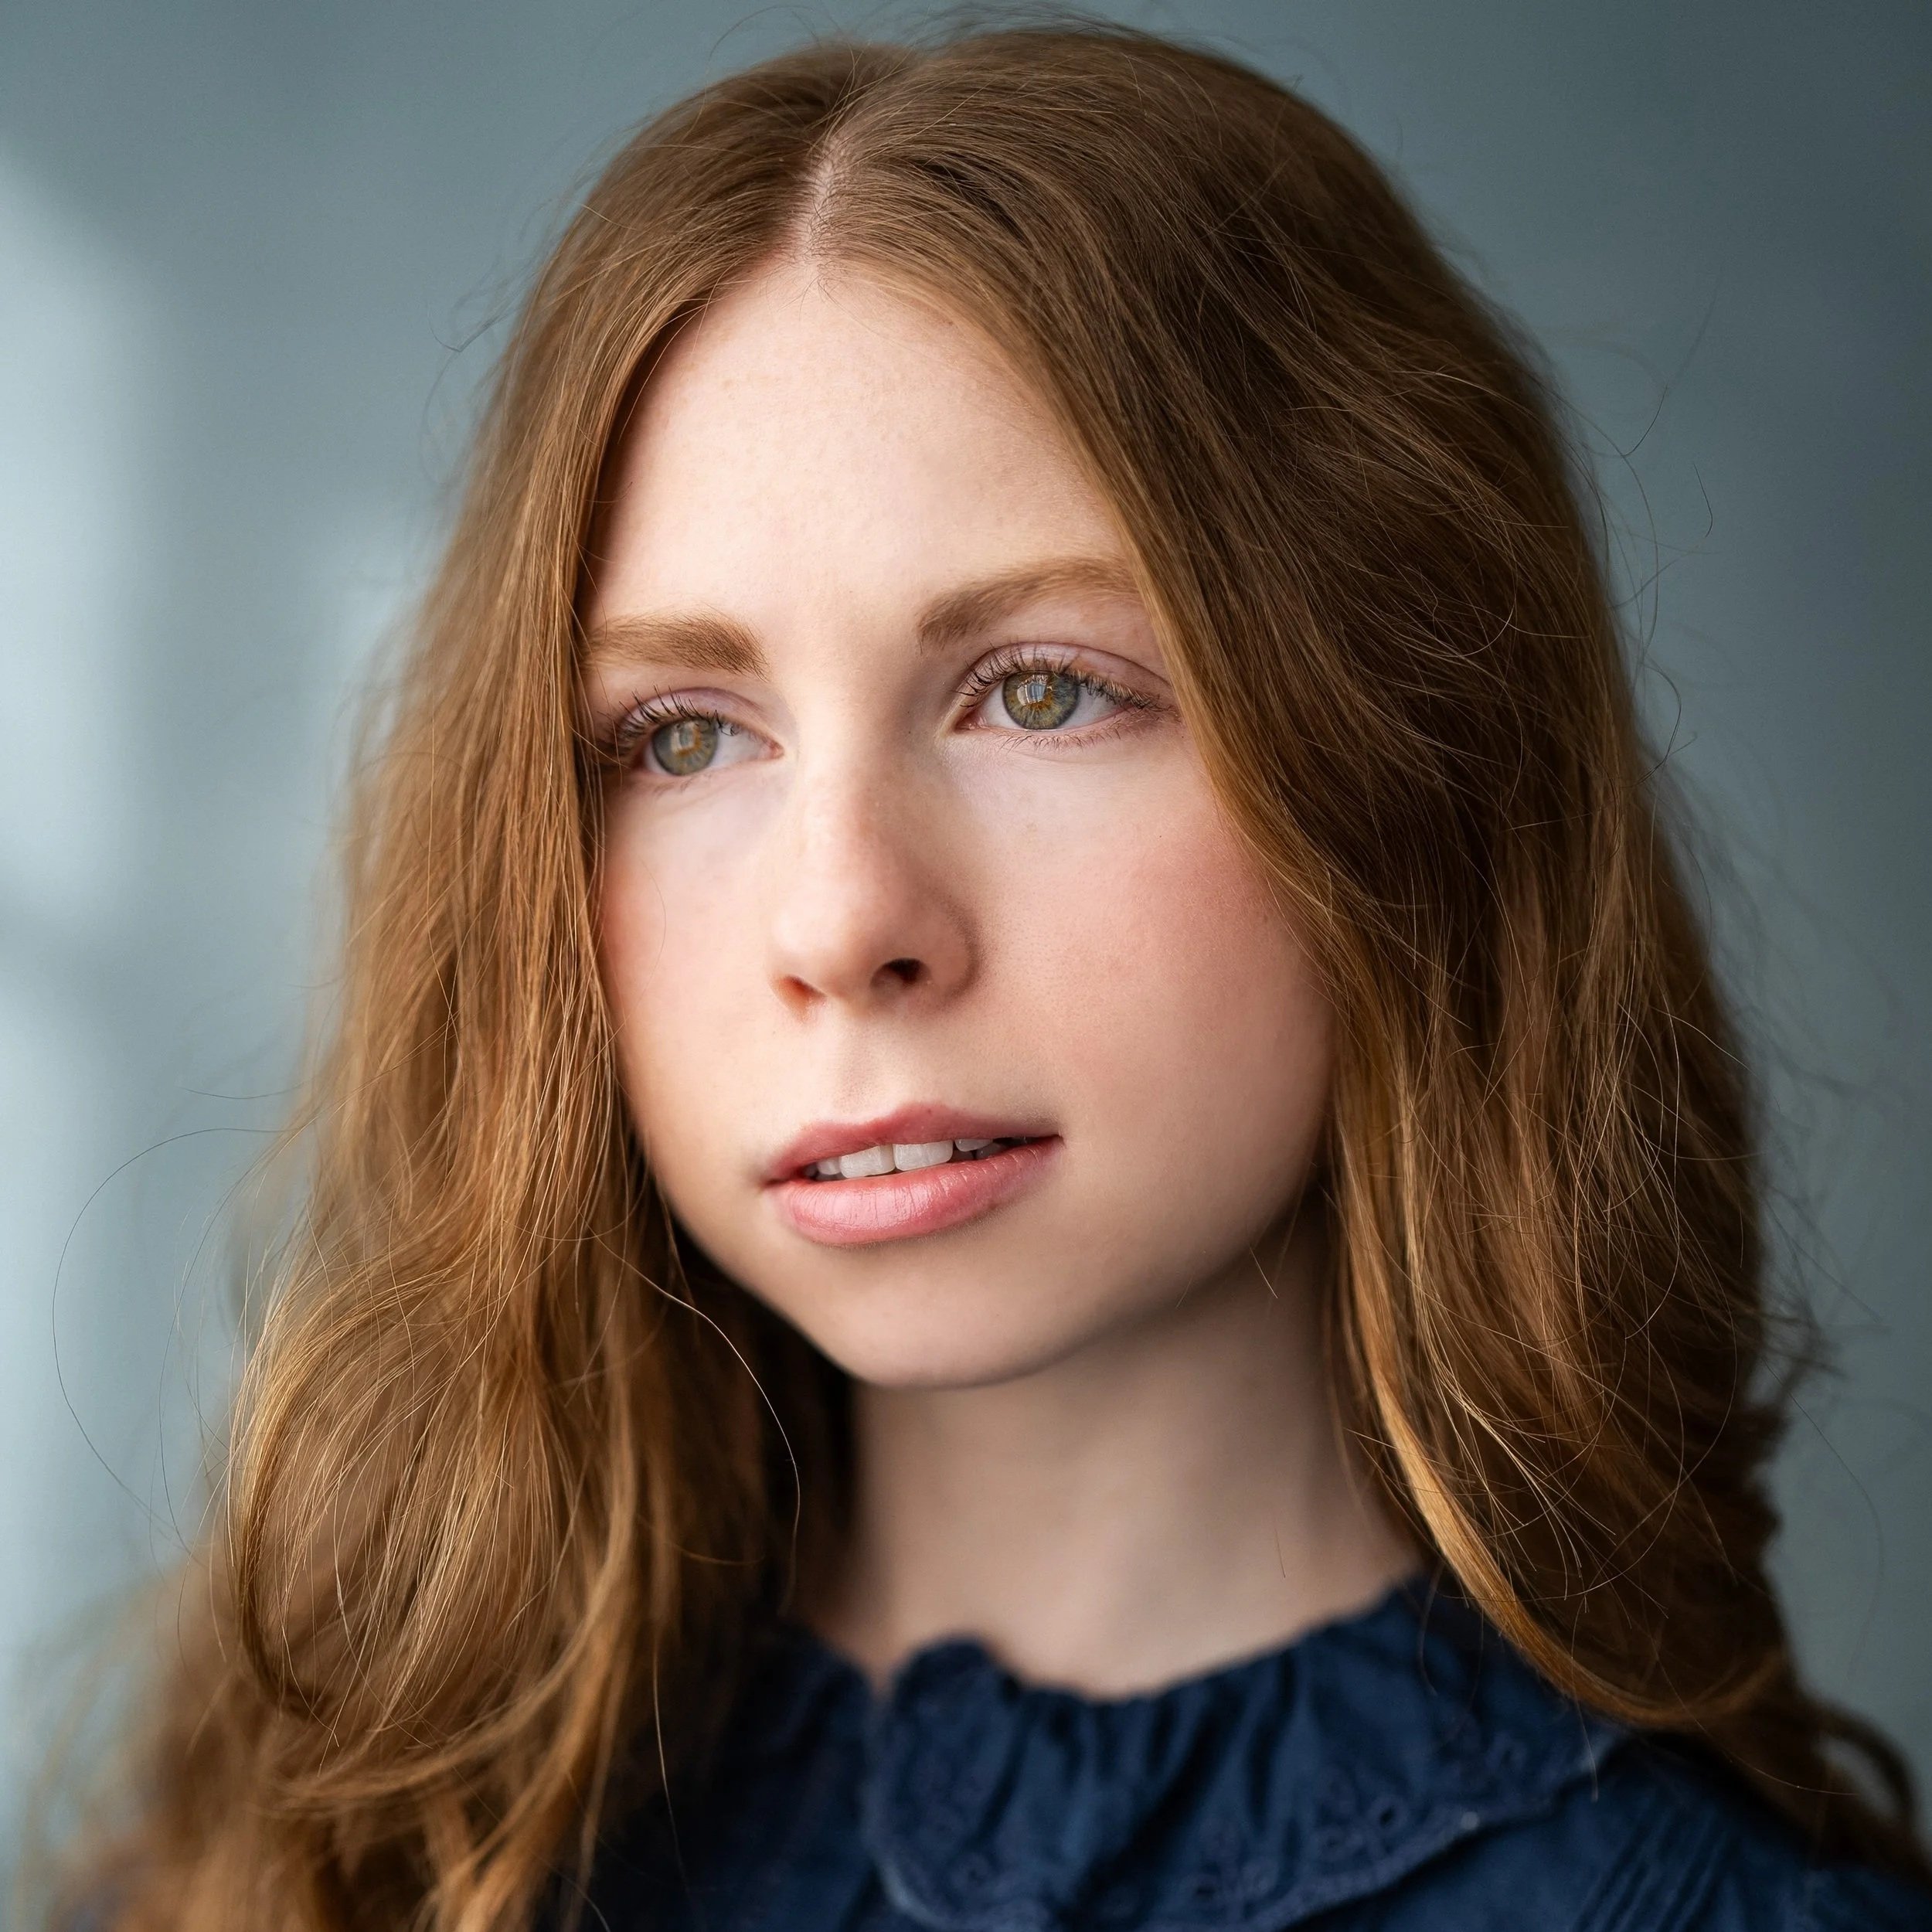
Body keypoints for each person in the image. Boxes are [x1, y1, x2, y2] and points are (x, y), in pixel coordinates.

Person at [55, 19, 1932, 1932]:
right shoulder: (325, 1861)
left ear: (1416, 768)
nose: (839, 919)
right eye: (681, 735)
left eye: (1039, 692)